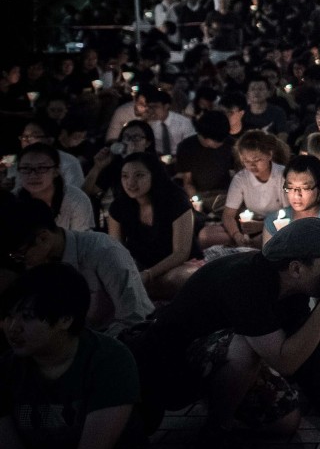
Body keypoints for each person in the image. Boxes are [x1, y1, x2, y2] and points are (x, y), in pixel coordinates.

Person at [128, 218, 320, 449]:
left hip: (213, 354)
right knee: (244, 348)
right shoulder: (247, 282)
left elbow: (295, 356)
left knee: (286, 422)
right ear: (296, 268)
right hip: (167, 370)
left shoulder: (294, 287)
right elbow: (285, 362)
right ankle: (215, 434)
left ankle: (222, 393)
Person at [0, 264, 170, 449]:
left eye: (27, 317)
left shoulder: (109, 361)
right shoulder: (6, 369)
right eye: (7, 316)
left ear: (65, 320)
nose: (13, 328)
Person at [2, 198, 152, 336]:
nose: (20, 261)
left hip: (118, 338)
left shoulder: (103, 251)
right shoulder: (37, 264)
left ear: (44, 237)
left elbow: (134, 319)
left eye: (20, 255)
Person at [108, 152, 200, 300]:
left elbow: (181, 252)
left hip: (179, 265)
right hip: (141, 266)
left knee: (174, 280)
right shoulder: (118, 207)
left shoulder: (175, 200)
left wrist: (148, 275)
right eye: (125, 176)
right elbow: (117, 250)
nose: (130, 183)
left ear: (153, 175)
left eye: (139, 175)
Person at [205, 129, 287, 249]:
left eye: (257, 160)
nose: (252, 166)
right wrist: (237, 236)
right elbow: (228, 215)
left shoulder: (283, 175)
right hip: (249, 227)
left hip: (279, 227)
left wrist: (263, 225)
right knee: (205, 236)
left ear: (269, 155)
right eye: (246, 161)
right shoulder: (241, 178)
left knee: (266, 240)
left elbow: (292, 214)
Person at [14, 142, 94, 231]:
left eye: (42, 168)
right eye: (26, 168)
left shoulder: (75, 198)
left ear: (56, 171)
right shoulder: (12, 200)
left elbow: (82, 239)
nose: (33, 175)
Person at [270, 153, 320, 238]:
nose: (296, 195)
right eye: (290, 187)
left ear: (319, 188)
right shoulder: (275, 220)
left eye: (305, 188)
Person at [174, 109, 235, 201]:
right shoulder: (186, 147)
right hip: (199, 195)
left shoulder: (230, 144)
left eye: (223, 140)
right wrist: (196, 200)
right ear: (203, 136)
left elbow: (235, 174)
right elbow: (188, 181)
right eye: (217, 141)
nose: (221, 143)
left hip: (224, 194)